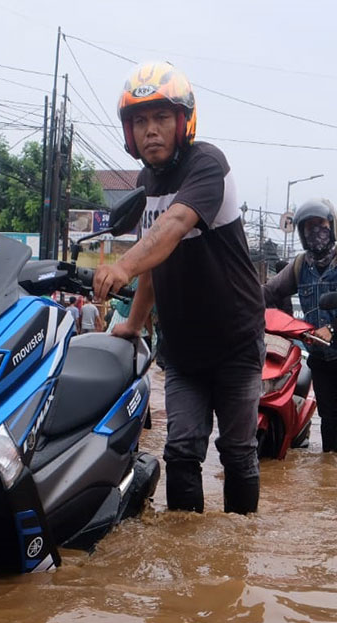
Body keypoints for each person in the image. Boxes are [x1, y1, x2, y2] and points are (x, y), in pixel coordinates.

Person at [92, 62, 265, 515]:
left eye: (162, 118)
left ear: (183, 122)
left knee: (238, 452)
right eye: (140, 121)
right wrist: (133, 322)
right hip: (184, 349)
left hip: (235, 342)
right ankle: (188, 568)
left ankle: (237, 557)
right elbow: (154, 259)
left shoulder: (208, 164)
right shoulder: (146, 182)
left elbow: (172, 227)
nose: (151, 131)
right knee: (181, 452)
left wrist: (121, 266)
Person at [262, 198, 337, 454]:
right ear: (300, 233)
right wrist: (238, 297)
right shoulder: (299, 266)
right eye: (307, 226)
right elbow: (270, 291)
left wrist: (333, 327)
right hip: (320, 358)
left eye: (319, 224)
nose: (314, 231)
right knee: (328, 421)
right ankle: (330, 469)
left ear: (332, 226)